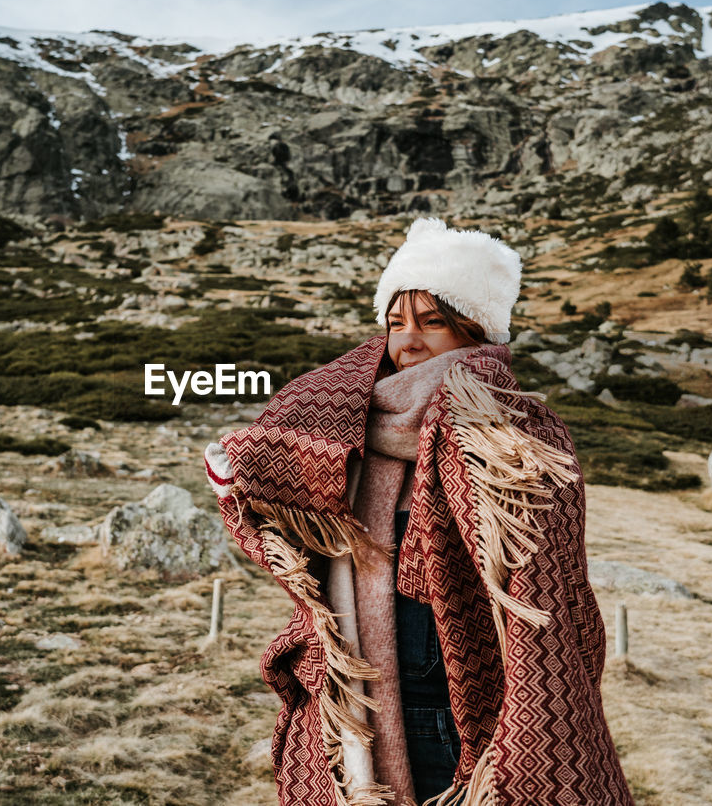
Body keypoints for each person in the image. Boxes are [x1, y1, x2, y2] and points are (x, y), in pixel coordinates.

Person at [204, 217, 634, 806]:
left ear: (475, 332)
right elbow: (287, 509)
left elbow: (547, 590)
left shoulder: (515, 432)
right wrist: (242, 475)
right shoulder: (352, 427)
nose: (407, 342)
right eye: (396, 322)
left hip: (467, 716)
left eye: (433, 323)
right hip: (361, 701)